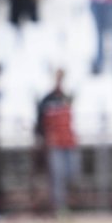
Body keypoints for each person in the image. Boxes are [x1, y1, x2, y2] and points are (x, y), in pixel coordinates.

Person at [37, 69, 77, 214]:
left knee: (71, 174)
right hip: (55, 143)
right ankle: (60, 207)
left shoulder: (68, 96)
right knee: (58, 175)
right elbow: (40, 122)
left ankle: (68, 203)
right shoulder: (47, 99)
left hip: (68, 142)